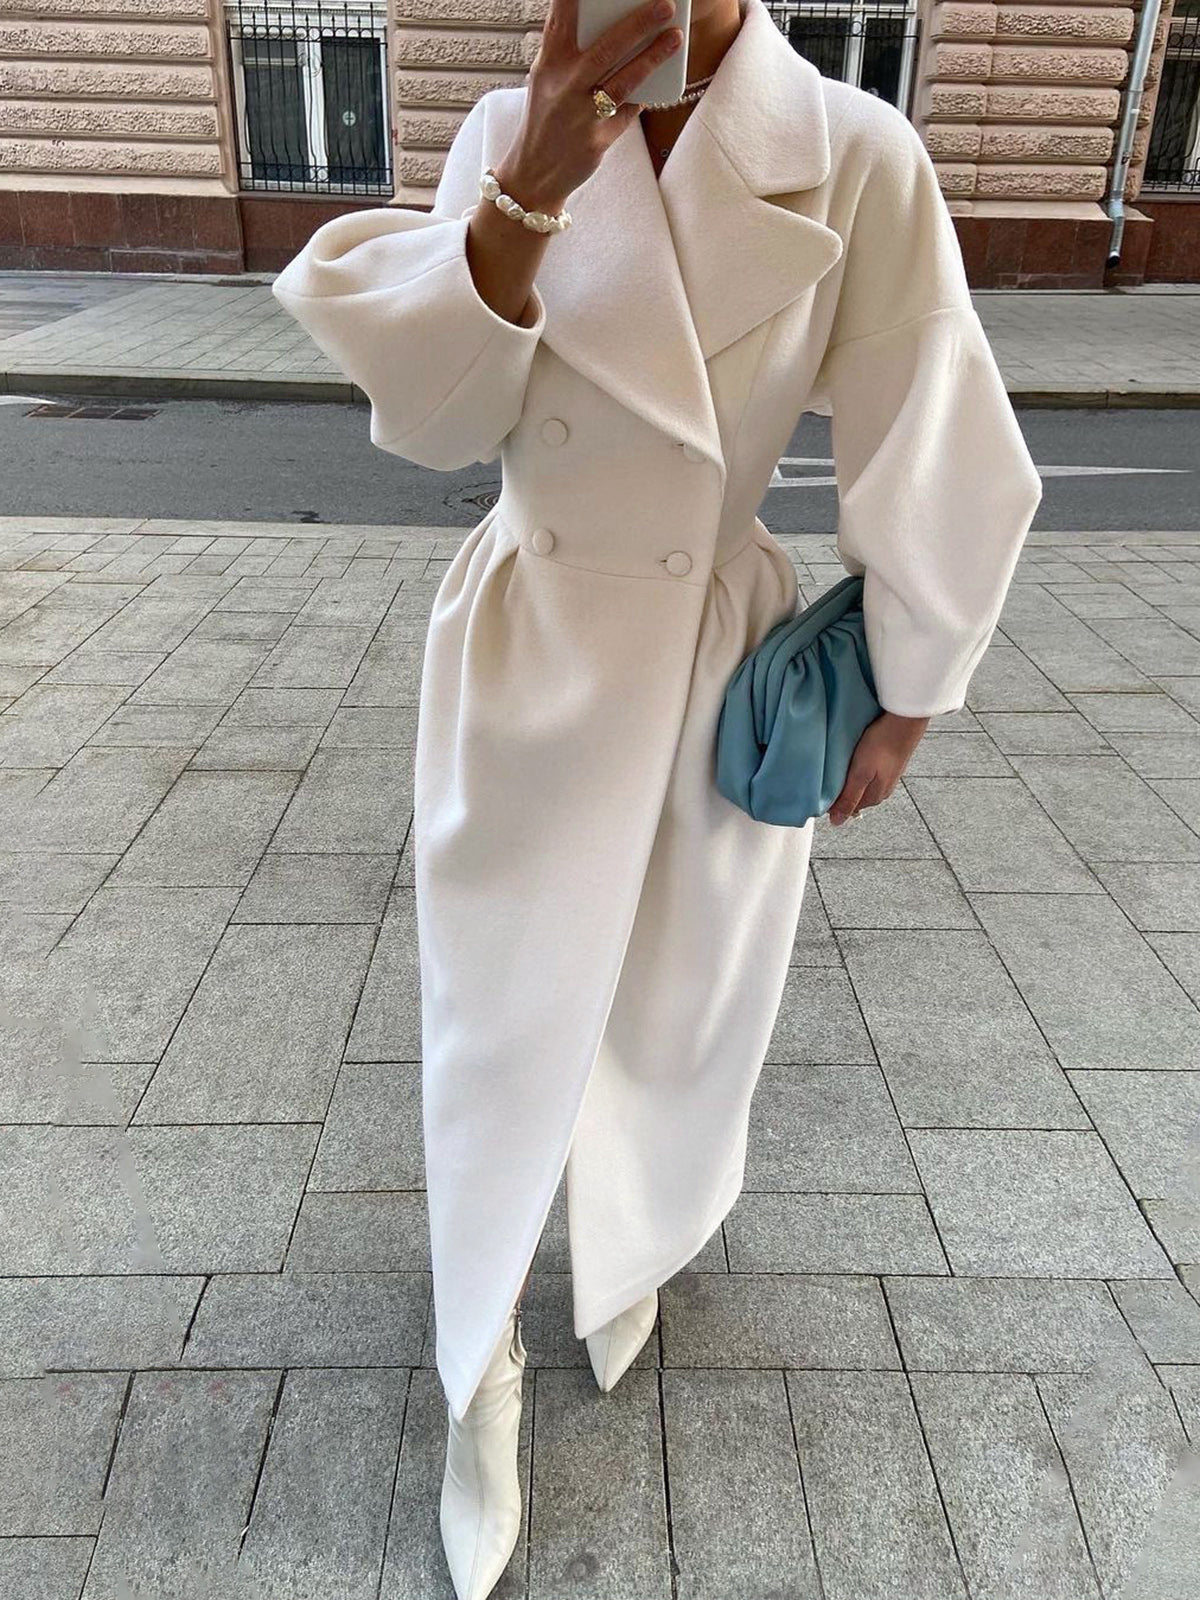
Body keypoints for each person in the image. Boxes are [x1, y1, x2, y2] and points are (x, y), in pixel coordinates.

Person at [270, 0, 1043, 1593]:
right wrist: (532, 188)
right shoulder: (512, 130)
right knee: (496, 1020)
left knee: (690, 1001)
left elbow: (932, 418)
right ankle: (478, 1364)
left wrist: (909, 686)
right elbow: (434, 423)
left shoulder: (852, 154)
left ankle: (631, 1247)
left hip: (716, 648)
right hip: (533, 641)